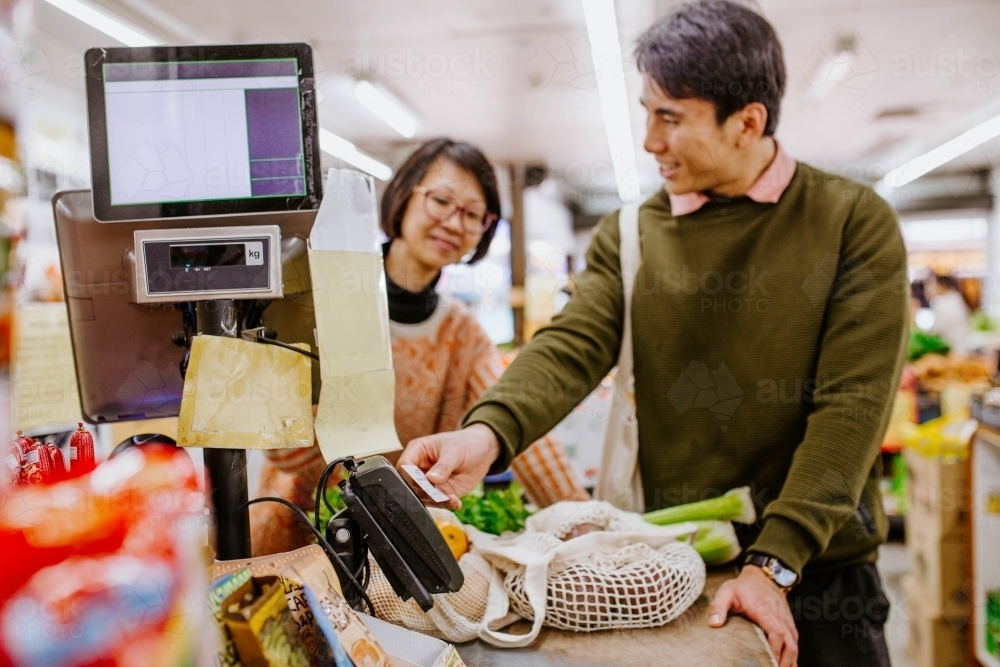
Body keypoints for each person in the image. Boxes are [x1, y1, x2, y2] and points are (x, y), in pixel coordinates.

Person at [398, 3, 908, 666]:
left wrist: (776, 561)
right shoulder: (633, 235)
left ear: (747, 121)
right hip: (677, 566)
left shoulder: (851, 222)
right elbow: (572, 343)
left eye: (670, 117)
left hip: (817, 568)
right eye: (647, 113)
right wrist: (485, 433)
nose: (649, 140)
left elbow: (852, 405)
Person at [250, 138, 587, 556]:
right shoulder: (329, 298)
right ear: (405, 196)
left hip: (386, 543)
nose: (452, 221)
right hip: (298, 529)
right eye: (441, 200)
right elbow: (281, 446)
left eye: (472, 214)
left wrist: (583, 522)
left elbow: (514, 422)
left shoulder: (462, 334)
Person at [928, 273, 972, 355]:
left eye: (934, 284)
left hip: (952, 349)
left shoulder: (943, 303)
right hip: (962, 346)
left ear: (942, 285)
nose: (931, 288)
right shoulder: (956, 299)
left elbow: (937, 329)